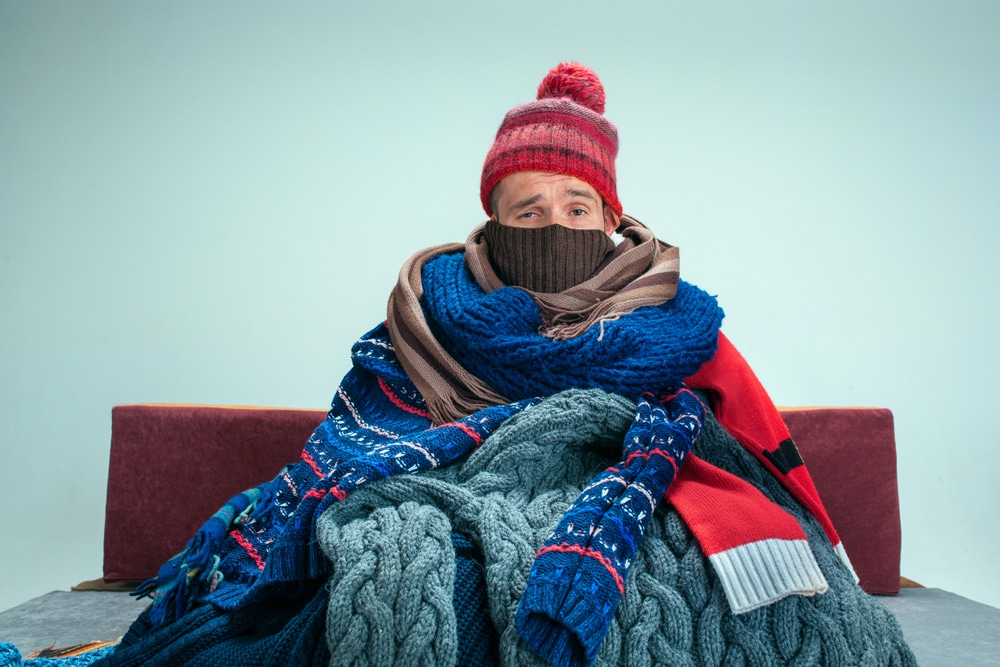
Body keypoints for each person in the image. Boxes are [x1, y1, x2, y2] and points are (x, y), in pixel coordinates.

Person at [97, 63, 915, 667]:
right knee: (411, 567)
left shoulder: (674, 324)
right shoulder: (427, 319)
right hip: (455, 494)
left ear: (611, 218)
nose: (553, 224)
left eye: (576, 207)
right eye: (528, 210)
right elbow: (361, 440)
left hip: (625, 499)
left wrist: (829, 549)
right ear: (490, 223)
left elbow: (760, 444)